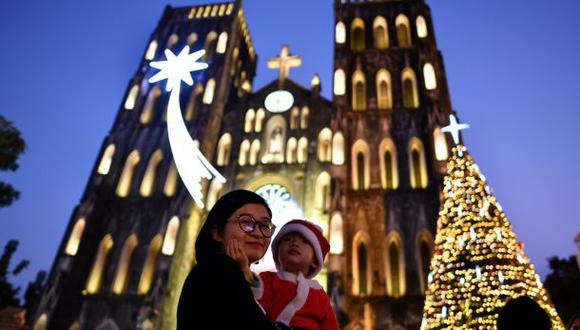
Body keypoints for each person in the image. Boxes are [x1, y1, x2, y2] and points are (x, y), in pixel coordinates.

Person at [176, 190, 281, 330]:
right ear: (218, 233)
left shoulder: (230, 274)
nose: (257, 233)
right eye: (246, 222)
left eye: (264, 226)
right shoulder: (217, 271)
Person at [228, 219, 339, 330]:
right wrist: (244, 267)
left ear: (315, 260)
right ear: (277, 254)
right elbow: (254, 295)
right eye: (287, 239)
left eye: (305, 242)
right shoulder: (268, 279)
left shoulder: (320, 295)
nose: (294, 244)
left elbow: (330, 326)